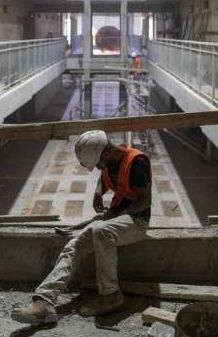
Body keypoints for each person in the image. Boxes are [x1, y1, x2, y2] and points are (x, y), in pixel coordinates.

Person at [11, 130, 152, 323]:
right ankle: (44, 300)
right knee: (74, 246)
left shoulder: (136, 162)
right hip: (115, 220)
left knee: (101, 230)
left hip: (136, 221)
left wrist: (115, 214)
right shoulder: (109, 162)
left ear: (106, 154)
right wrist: (98, 193)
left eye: (98, 164)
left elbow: (145, 201)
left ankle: (111, 295)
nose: (97, 169)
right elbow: (104, 178)